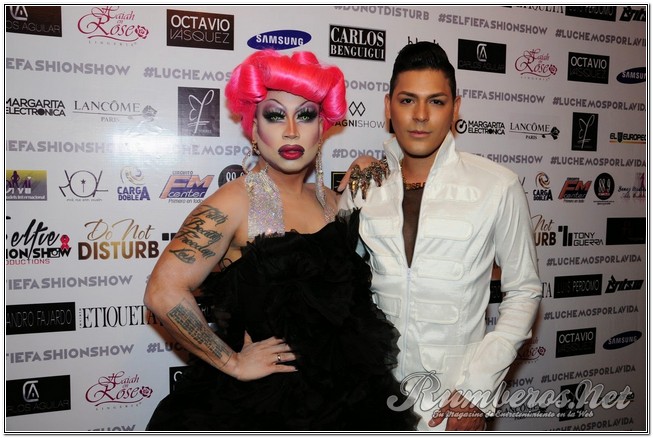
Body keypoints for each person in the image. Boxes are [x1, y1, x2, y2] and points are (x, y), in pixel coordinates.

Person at [143, 50, 418, 431]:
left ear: (322, 127)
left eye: (305, 116)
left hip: (347, 401)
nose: (291, 130)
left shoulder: (335, 202)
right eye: (275, 115)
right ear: (254, 128)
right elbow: (162, 291)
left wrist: (373, 163)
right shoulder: (235, 201)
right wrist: (233, 362)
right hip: (263, 407)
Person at [338, 41, 542, 431]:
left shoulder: (497, 185)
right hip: (370, 397)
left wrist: (478, 391)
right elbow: (338, 284)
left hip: (452, 403)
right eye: (407, 100)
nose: (420, 116)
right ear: (388, 107)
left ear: (455, 108)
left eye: (435, 101)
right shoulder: (365, 185)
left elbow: (524, 291)